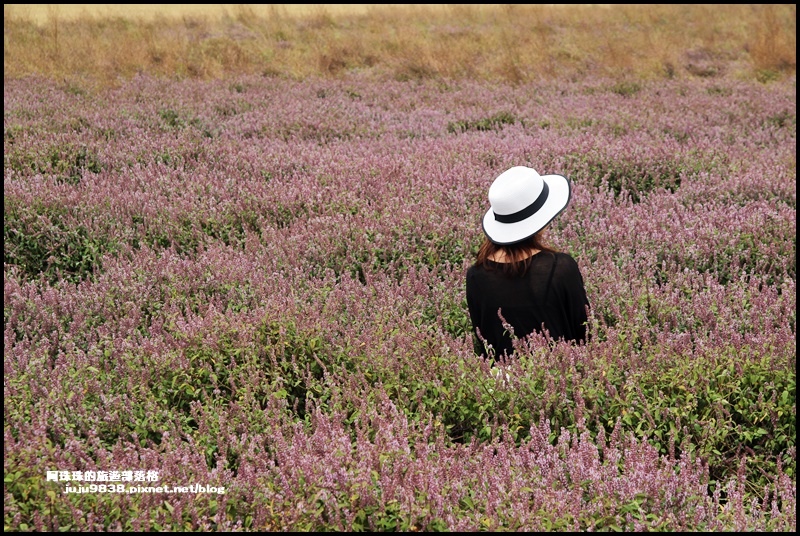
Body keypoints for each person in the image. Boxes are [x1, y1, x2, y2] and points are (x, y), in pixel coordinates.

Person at [466, 166, 589, 360]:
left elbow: (483, 341)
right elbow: (585, 332)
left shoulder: (476, 275)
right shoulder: (561, 268)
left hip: (498, 384)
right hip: (561, 377)